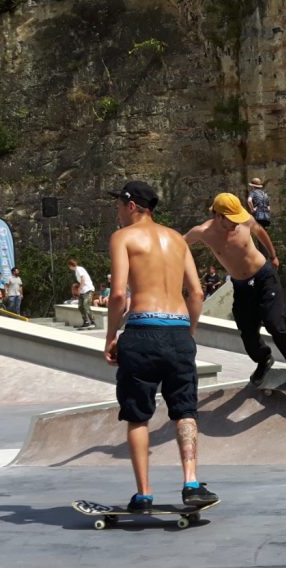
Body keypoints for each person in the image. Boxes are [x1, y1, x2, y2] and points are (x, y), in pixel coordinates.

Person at [103, 180, 217, 510]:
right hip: (179, 333)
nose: (117, 213)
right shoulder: (178, 239)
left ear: (131, 206)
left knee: (137, 415)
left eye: (118, 206)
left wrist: (111, 336)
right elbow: (197, 293)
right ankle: (191, 483)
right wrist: (188, 332)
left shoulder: (123, 237)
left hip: (142, 332)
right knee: (185, 410)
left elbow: (118, 295)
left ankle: (144, 494)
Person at [185, 192, 286, 388]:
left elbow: (260, 231)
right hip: (241, 286)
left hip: (264, 277)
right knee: (247, 330)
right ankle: (264, 359)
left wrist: (273, 255)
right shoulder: (202, 232)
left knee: (274, 323)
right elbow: (177, 244)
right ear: (218, 216)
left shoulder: (244, 221)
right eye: (231, 219)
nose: (237, 223)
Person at [68, 258, 96, 329]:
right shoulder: (76, 271)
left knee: (85, 305)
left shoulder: (79, 269)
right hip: (83, 291)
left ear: (70, 266)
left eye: (69, 266)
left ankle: (93, 321)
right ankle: (86, 322)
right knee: (80, 306)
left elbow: (83, 279)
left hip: (88, 290)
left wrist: (80, 288)